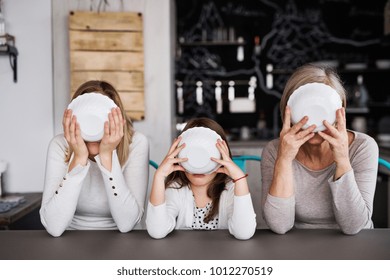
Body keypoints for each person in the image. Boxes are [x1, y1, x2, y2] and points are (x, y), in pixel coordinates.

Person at [261, 64, 378, 235]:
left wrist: (343, 161)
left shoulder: (363, 147)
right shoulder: (275, 150)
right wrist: (284, 160)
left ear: (340, 111)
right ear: (289, 112)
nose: (315, 124)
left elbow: (354, 226)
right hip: (298, 245)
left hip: (354, 245)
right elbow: (279, 225)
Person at [40, 80, 149, 237]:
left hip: (122, 240)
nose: (93, 131)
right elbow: (53, 226)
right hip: (69, 239)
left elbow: (127, 223)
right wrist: (78, 158)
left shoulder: (137, 144)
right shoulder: (59, 145)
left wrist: (107, 155)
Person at [146, 118, 256, 240]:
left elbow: (244, 233)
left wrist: (240, 179)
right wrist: (159, 176)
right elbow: (157, 231)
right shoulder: (176, 189)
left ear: (222, 156)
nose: (199, 166)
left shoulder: (231, 189)